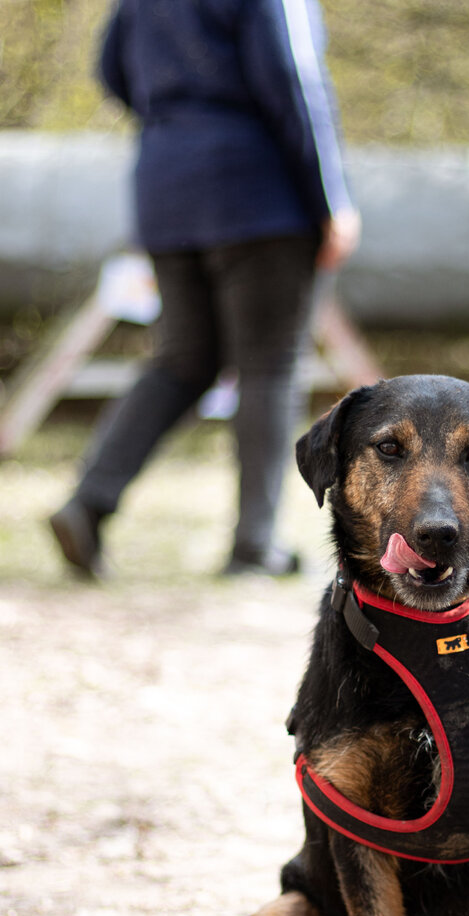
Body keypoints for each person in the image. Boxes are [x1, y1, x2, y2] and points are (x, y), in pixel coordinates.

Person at [49, 0, 360, 578]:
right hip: (258, 190)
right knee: (270, 365)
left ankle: (87, 502)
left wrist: (178, 121)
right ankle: (255, 545)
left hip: (165, 189)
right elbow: (295, 78)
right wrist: (331, 197)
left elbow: (111, 69)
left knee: (182, 362)